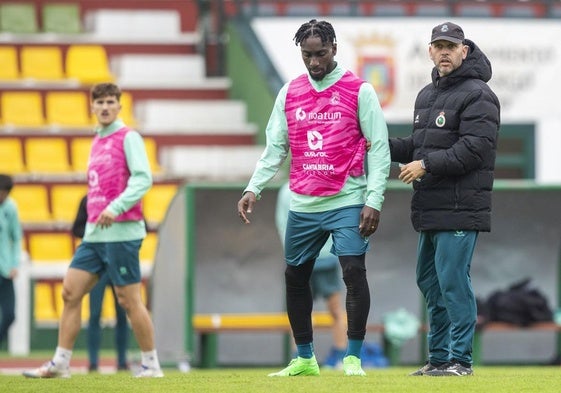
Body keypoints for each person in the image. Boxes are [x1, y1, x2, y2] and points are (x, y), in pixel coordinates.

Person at [237, 19, 391, 377]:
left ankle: (352, 356)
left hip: (347, 198)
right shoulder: (289, 93)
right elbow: (275, 148)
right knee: (295, 277)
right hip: (303, 204)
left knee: (353, 271)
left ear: (334, 48)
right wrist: (253, 187)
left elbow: (379, 148)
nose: (314, 62)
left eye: (321, 54)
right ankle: (305, 358)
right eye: (307, 55)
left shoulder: (359, 91)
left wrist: (374, 199)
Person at [23, 82, 163, 378]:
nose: (105, 107)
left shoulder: (129, 137)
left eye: (111, 102)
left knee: (128, 300)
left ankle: (151, 364)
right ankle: (61, 363)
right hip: (94, 236)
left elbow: (143, 179)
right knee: (70, 292)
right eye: (100, 102)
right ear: (92, 107)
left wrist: (116, 207)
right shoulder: (97, 141)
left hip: (123, 232)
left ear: (119, 106)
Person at [389, 22, 500, 377]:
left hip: (460, 207)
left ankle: (461, 361)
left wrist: (424, 164)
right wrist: (379, 143)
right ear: (430, 51)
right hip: (431, 208)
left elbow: (474, 149)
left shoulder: (479, 94)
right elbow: (417, 147)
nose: (444, 51)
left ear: (464, 51)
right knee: (429, 282)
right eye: (438, 45)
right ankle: (438, 359)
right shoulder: (426, 95)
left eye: (451, 46)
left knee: (453, 282)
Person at [275, 182, 346, 369]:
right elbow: (283, 222)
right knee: (299, 310)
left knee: (335, 309)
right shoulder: (286, 191)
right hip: (300, 259)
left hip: (326, 259)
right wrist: (294, 251)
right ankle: (300, 356)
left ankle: (340, 356)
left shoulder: (327, 182)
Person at [71, 195, 129, 372]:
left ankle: (122, 361)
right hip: (98, 263)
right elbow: (76, 228)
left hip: (119, 261)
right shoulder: (89, 199)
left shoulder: (125, 199)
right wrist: (96, 229)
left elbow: (141, 224)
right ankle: (93, 362)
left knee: (123, 311)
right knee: (95, 313)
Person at [0, 174, 22, 350]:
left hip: (5, 269)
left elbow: (16, 238)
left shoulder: (11, 208)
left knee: (9, 315)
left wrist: (15, 264)